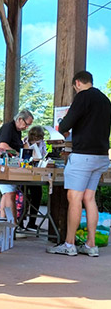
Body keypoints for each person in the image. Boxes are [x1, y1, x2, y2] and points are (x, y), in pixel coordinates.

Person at [47, 71, 111, 257]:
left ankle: (69, 244)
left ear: (77, 84)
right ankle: (91, 245)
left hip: (83, 155)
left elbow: (65, 125)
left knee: (74, 198)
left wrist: (63, 125)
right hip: (101, 156)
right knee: (89, 199)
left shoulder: (82, 97)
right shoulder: (105, 100)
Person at [0, 109, 34, 223]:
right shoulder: (8, 127)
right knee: (10, 194)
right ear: (20, 119)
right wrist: (19, 154)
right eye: (26, 124)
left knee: (7, 193)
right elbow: (3, 145)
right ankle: (12, 224)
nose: (26, 127)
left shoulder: (17, 131)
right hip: (6, 164)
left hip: (11, 164)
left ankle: (4, 221)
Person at [21, 125, 47, 231]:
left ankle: (32, 222)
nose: (37, 140)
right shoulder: (25, 142)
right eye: (35, 138)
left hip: (37, 172)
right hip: (26, 171)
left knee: (37, 196)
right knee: (24, 197)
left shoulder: (42, 144)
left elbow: (43, 154)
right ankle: (20, 221)